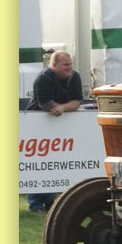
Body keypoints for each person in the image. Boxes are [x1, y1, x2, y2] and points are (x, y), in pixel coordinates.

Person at [25, 51, 83, 213]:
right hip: (37, 128)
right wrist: (65, 107)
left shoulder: (75, 77)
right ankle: (35, 204)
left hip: (60, 128)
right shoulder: (43, 78)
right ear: (54, 65)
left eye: (70, 64)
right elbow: (47, 105)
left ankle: (51, 202)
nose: (69, 67)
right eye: (65, 65)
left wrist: (63, 107)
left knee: (57, 165)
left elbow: (77, 102)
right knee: (40, 166)